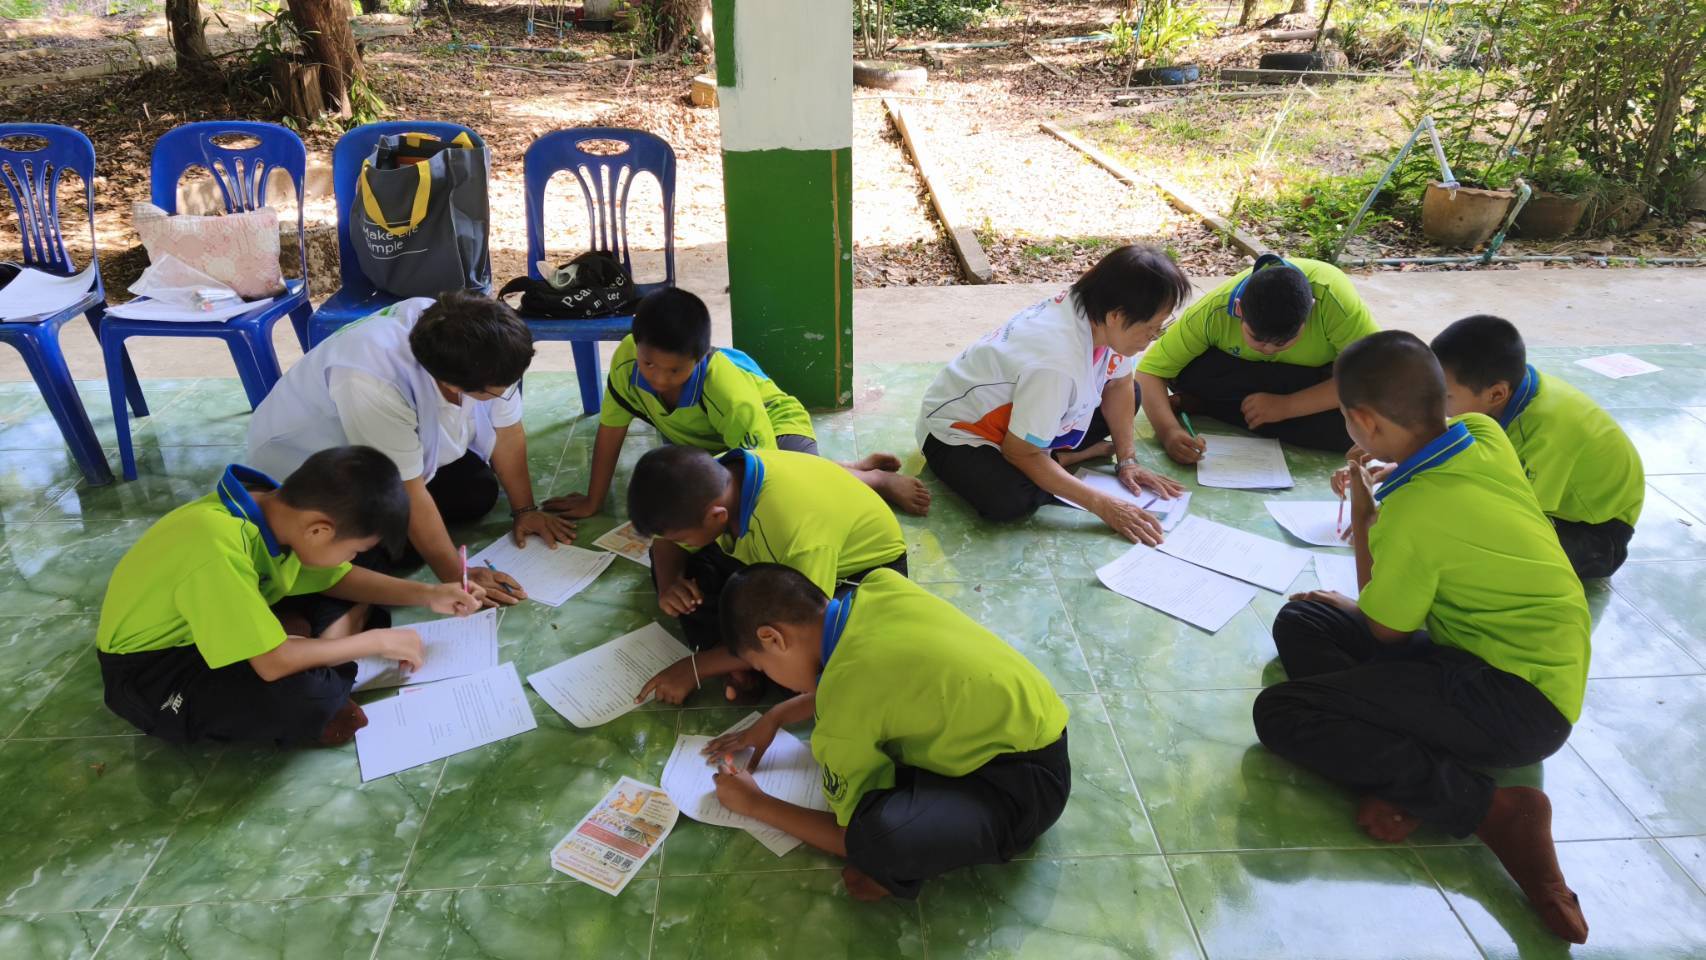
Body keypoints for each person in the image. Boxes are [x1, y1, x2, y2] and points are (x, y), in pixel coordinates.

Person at [1253, 331, 1591, 944]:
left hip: (1515, 703)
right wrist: (1392, 473)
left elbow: (1384, 631)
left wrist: (1365, 510)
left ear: (1363, 422)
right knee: (1304, 620)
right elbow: (1445, 487)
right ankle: (1412, 766)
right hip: (1513, 661)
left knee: (1282, 712)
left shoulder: (1413, 513)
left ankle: (1490, 809)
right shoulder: (1483, 433)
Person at [703, 564, 1070, 901]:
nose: (771, 678)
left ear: (773, 639)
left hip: (1023, 794)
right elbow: (875, 676)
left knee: (873, 839)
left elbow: (846, 837)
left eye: (762, 668)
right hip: (1035, 729)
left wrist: (755, 803)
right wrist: (776, 717)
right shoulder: (880, 586)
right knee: (890, 741)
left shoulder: (843, 705)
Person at [95, 447, 486, 747]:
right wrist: (375, 641)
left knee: (364, 570)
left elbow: (336, 577)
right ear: (318, 530)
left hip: (221, 620)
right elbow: (271, 664)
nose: (351, 557)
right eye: (351, 549)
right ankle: (317, 645)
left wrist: (430, 594)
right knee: (306, 697)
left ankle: (311, 643)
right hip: (156, 672)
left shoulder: (273, 511)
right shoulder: (215, 547)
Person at [247, 292, 576, 605]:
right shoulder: (371, 382)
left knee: (477, 491)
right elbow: (408, 489)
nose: (504, 394)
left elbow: (507, 430)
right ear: (451, 384)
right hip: (307, 469)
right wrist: (457, 577)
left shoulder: (467, 337)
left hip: (377, 449)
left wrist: (525, 510)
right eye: (493, 392)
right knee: (384, 549)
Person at [544, 287, 930, 518]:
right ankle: (847, 467)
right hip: (710, 443)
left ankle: (875, 480)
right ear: (636, 345)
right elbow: (611, 429)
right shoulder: (627, 359)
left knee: (797, 493)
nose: (658, 378)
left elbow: (764, 472)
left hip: (775, 426)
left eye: (675, 370)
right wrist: (594, 500)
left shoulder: (728, 392)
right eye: (649, 364)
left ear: (700, 358)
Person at [916, 245, 1189, 542]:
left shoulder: (1095, 311)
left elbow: (1120, 384)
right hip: (958, 435)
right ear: (1116, 316)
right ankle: (1065, 458)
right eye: (1151, 329)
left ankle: (1056, 458)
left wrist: (1128, 461)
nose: (1151, 339)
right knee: (1008, 499)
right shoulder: (1056, 363)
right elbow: (1020, 452)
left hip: (1035, 412)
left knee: (1131, 394)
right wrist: (1104, 505)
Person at [625, 444, 906, 704]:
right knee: (677, 568)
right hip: (776, 561)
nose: (675, 541)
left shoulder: (795, 532)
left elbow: (802, 622)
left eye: (681, 537)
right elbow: (664, 543)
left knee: (809, 670)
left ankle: (736, 656)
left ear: (717, 516)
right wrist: (670, 584)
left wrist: (693, 668)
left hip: (858, 573)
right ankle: (739, 656)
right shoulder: (713, 477)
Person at [1430, 314, 1644, 579]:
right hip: (1558, 510)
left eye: (1446, 396)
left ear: (1496, 394)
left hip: (1597, 536)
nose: (1436, 404)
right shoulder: (1512, 390)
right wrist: (1416, 465)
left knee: (1475, 549)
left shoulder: (1545, 433)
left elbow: (1513, 518)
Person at [1136, 254, 1378, 460]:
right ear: (1239, 309)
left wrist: (1287, 406)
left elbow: (1372, 377)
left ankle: (1209, 405)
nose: (1269, 349)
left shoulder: (1334, 301)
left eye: (1282, 342)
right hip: (1241, 373)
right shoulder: (1215, 310)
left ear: (1310, 313)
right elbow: (1150, 373)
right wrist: (1168, 432)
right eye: (1256, 339)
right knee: (1187, 372)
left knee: (1354, 428)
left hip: (1307, 380)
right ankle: (1218, 405)